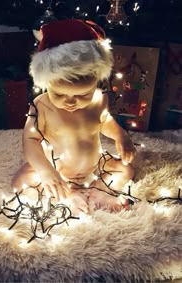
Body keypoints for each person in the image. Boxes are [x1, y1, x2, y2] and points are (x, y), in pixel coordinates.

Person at [12, 19, 136, 214]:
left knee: (126, 169)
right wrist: (46, 171)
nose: (70, 102)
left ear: (96, 81)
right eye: (59, 94)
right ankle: (67, 195)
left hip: (92, 169)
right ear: (47, 82)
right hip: (57, 169)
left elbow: (104, 121)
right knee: (22, 181)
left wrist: (121, 136)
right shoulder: (41, 106)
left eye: (82, 95)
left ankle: (100, 191)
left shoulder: (98, 100)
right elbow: (30, 140)